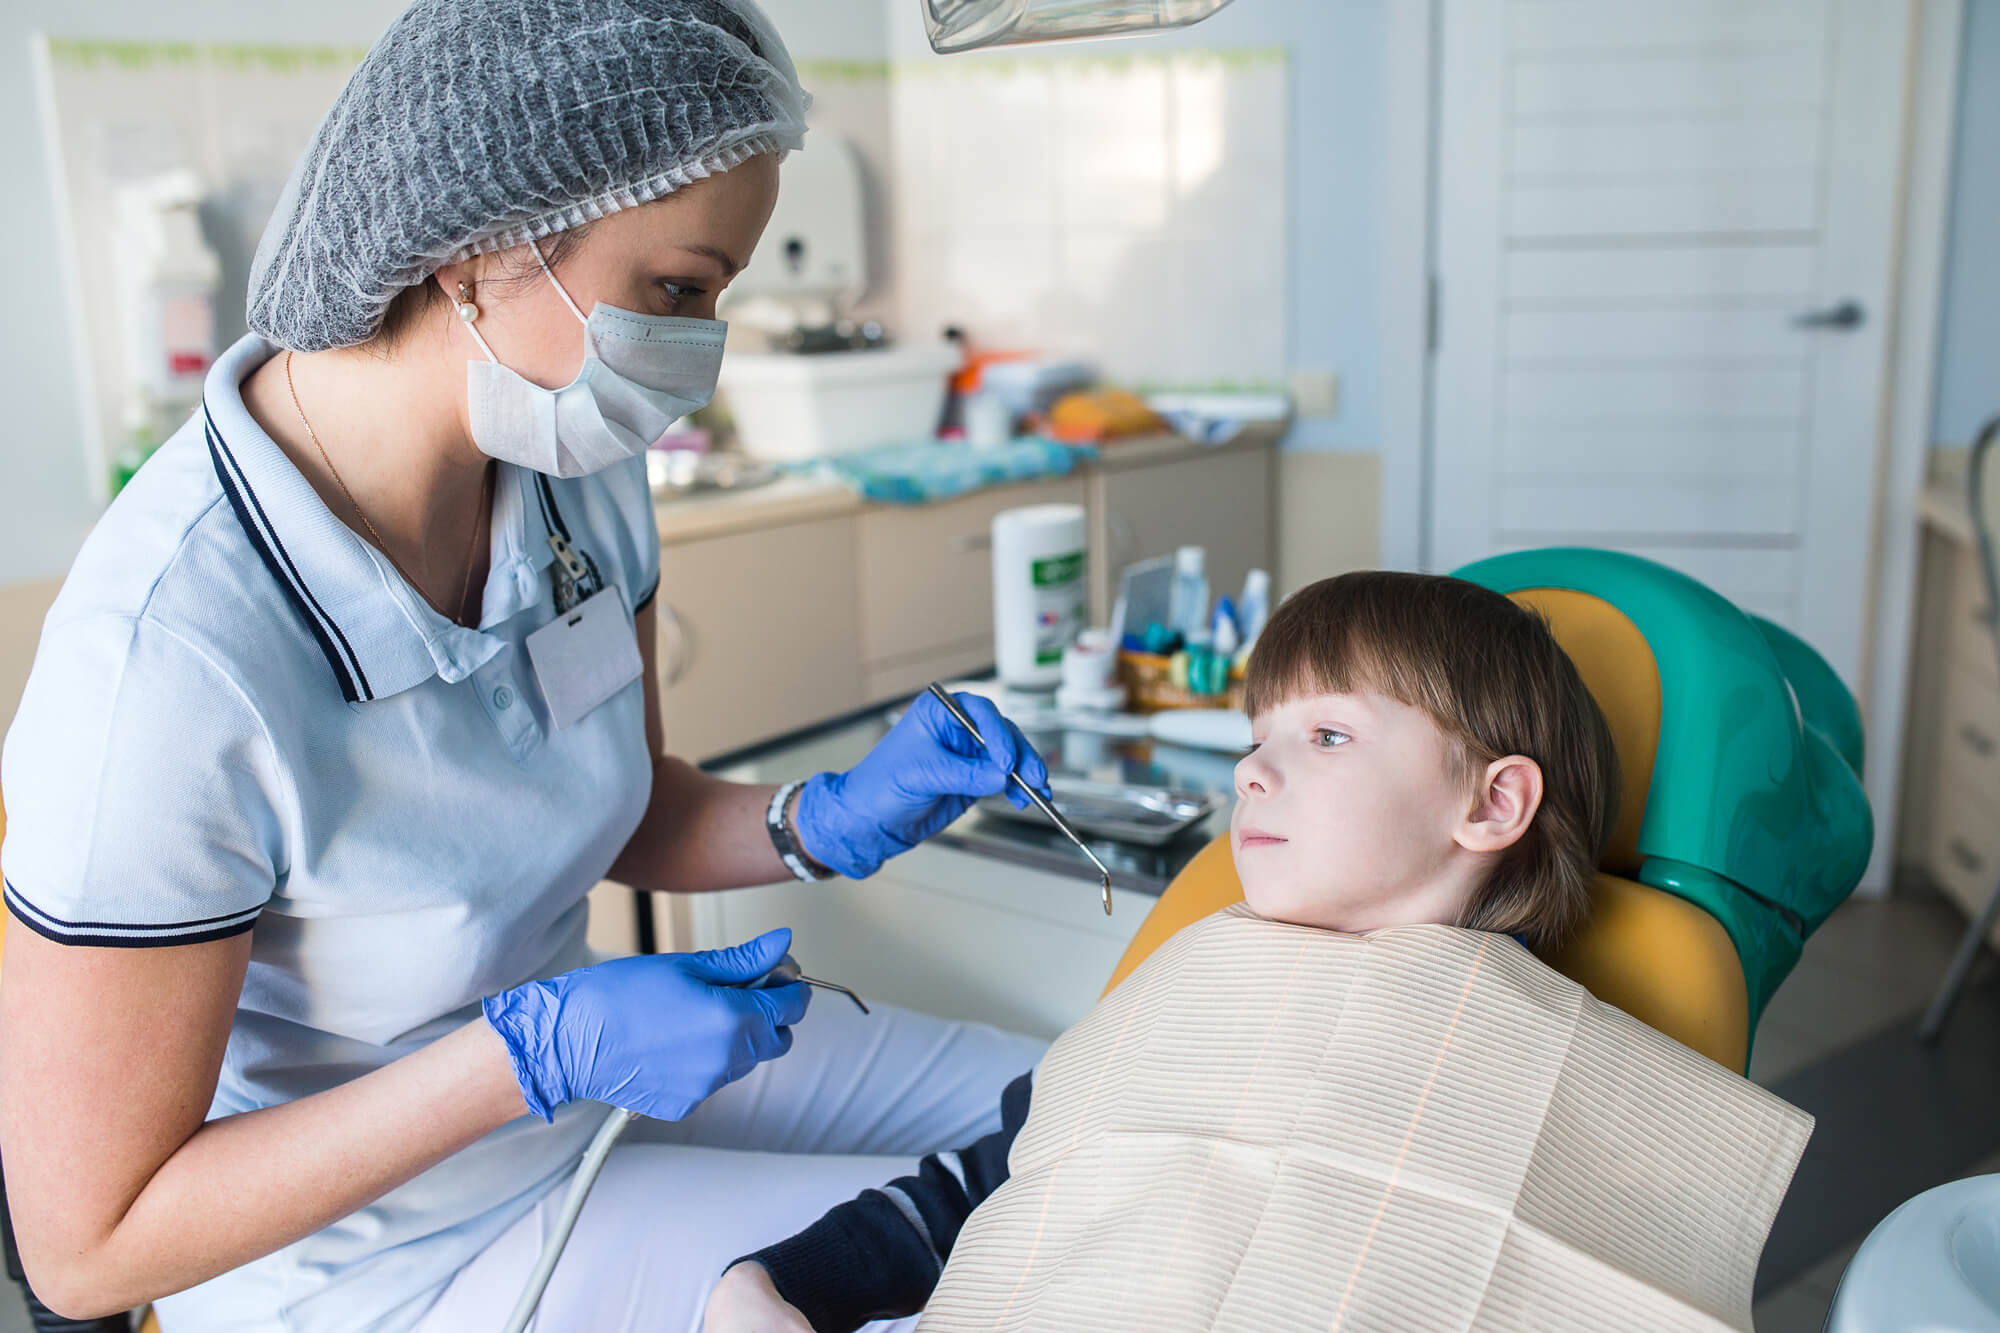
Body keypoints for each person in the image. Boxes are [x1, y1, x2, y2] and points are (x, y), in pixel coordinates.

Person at [0, 3, 1053, 1330]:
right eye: (679, 289)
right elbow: (86, 1248)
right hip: (385, 1259)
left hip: (584, 1095)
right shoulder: (166, 663)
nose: (701, 350)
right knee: (1011, 1269)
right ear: (480, 249)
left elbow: (626, 804)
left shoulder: (576, 473)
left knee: (1091, 1116)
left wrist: (822, 817)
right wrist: (524, 1058)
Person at [702, 570, 1622, 1332]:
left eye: (1328, 734)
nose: (1249, 771)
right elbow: (992, 1185)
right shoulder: (1195, 999)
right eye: (1259, 737)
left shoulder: (1533, 1075)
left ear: (1494, 803)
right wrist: (780, 1283)